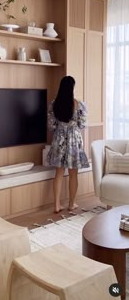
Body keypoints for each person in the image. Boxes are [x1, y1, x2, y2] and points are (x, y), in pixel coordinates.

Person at [46, 76, 89, 213]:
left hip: (59, 139)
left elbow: (51, 126)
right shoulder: (79, 104)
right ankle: (71, 204)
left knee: (58, 173)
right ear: (72, 88)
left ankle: (57, 205)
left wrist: (60, 128)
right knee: (73, 174)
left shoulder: (54, 104)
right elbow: (82, 124)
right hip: (74, 141)